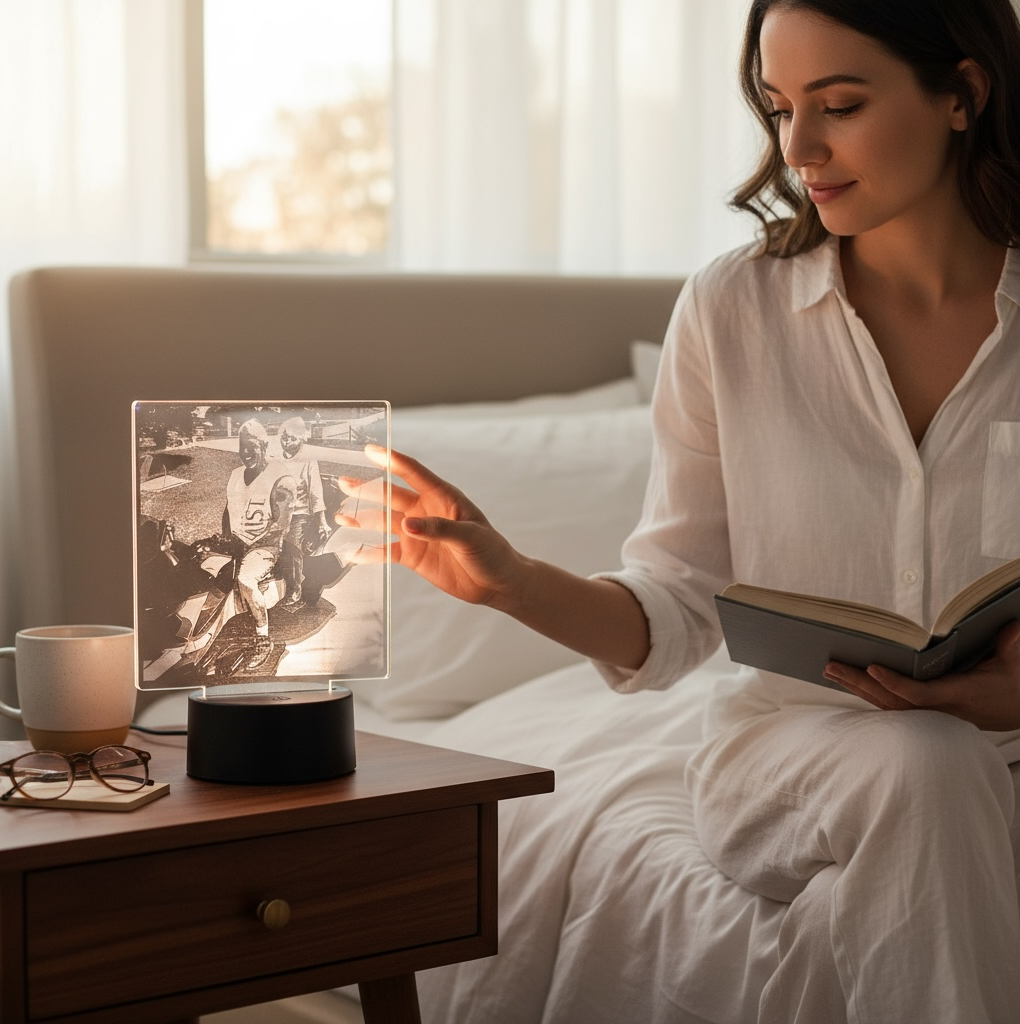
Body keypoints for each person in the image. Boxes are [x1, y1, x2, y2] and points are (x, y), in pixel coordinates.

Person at [338, 1, 1020, 1020]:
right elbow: (677, 604)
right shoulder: (733, 310)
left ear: (961, 94)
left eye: (838, 104)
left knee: (944, 770)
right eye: (779, 106)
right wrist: (515, 584)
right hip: (786, 755)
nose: (799, 148)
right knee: (926, 764)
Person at [222, 418, 297, 670]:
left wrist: (249, 547)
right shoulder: (234, 476)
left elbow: (281, 526)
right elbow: (228, 510)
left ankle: (264, 638)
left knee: (245, 579)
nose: (246, 453)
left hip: (266, 546)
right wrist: (225, 540)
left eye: (252, 447)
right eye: (242, 447)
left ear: (264, 446)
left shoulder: (281, 477)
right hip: (239, 542)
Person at [277, 415, 332, 609]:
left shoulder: (309, 460)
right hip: (278, 512)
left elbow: (316, 493)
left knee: (291, 546)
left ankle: (294, 590)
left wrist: (322, 521)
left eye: (291, 438)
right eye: (284, 438)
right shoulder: (275, 460)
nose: (287, 442)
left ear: (301, 439)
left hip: (300, 513)